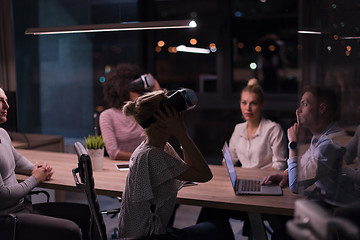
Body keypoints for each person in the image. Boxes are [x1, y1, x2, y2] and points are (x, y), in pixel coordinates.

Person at [117, 90, 234, 240]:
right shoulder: (151, 155)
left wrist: (181, 133)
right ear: (158, 120)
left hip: (151, 233)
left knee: (213, 217)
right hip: (146, 236)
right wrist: (181, 134)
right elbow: (204, 175)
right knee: (219, 228)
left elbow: (189, 167)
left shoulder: (159, 147)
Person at [0, 87, 85, 240]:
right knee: (70, 230)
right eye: (0, 101)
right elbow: (4, 195)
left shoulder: (2, 133)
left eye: (6, 100)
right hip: (7, 218)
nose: (7, 106)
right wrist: (35, 178)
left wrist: (38, 169)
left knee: (86, 213)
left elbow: (17, 160)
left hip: (23, 207)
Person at [261, 85, 357, 206]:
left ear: (321, 108)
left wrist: (293, 144)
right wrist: (285, 174)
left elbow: (296, 185)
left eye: (304, 104)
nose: (298, 110)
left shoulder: (329, 144)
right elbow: (305, 162)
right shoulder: (321, 136)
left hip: (337, 210)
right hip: (326, 201)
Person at [99, 63, 161, 160]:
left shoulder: (143, 111)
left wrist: (157, 90)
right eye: (136, 90)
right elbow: (113, 153)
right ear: (123, 90)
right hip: (127, 167)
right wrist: (143, 159)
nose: (140, 93)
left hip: (149, 165)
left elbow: (162, 127)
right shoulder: (108, 116)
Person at [228, 80, 287, 170]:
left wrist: (257, 177)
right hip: (243, 177)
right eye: (244, 103)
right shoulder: (238, 128)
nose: (248, 108)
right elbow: (229, 160)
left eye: (253, 103)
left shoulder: (273, 129)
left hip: (266, 181)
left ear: (262, 105)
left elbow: (280, 165)